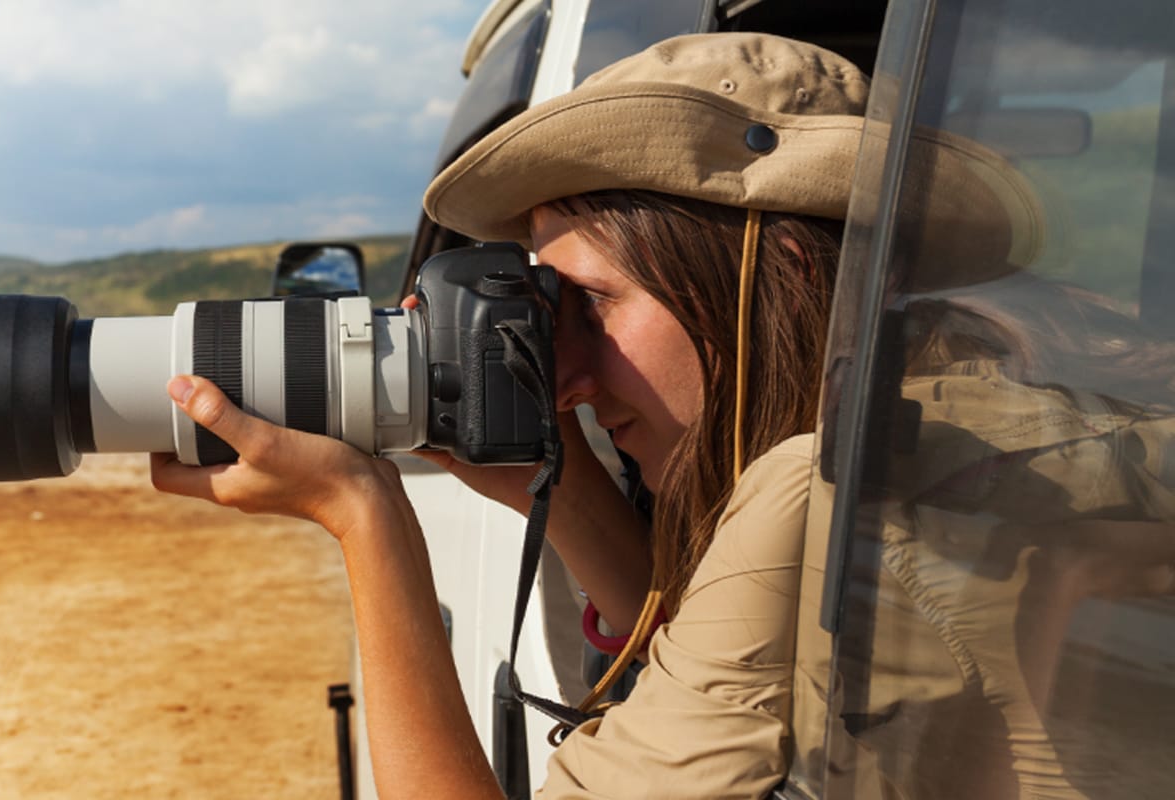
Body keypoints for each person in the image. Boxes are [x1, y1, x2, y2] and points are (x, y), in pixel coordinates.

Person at [150, 32, 1049, 798]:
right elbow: (730, 679)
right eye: (541, 319)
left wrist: (363, 511)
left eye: (593, 304)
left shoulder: (819, 489)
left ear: (789, 275)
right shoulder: (958, 432)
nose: (566, 375)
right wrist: (569, 492)